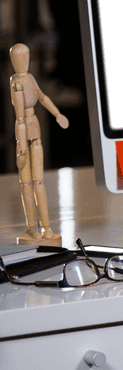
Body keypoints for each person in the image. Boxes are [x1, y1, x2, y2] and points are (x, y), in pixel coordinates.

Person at [9, 42, 69, 243]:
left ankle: (46, 227)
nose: (23, 61)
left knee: (39, 182)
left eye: (26, 57)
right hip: (23, 130)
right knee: (26, 183)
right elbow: (19, 117)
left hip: (33, 127)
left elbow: (42, 96)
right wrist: (22, 149)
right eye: (20, 58)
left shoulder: (29, 78)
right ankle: (31, 227)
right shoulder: (15, 83)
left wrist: (57, 113)